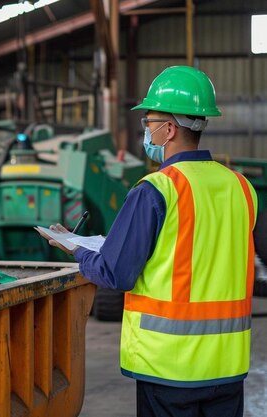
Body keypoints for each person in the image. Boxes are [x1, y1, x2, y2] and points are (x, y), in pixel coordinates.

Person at [40, 66, 257, 417]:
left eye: (149, 121)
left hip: (171, 368)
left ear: (169, 129)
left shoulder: (157, 189)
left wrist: (74, 246)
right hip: (228, 366)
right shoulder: (242, 188)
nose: (146, 130)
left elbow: (116, 272)